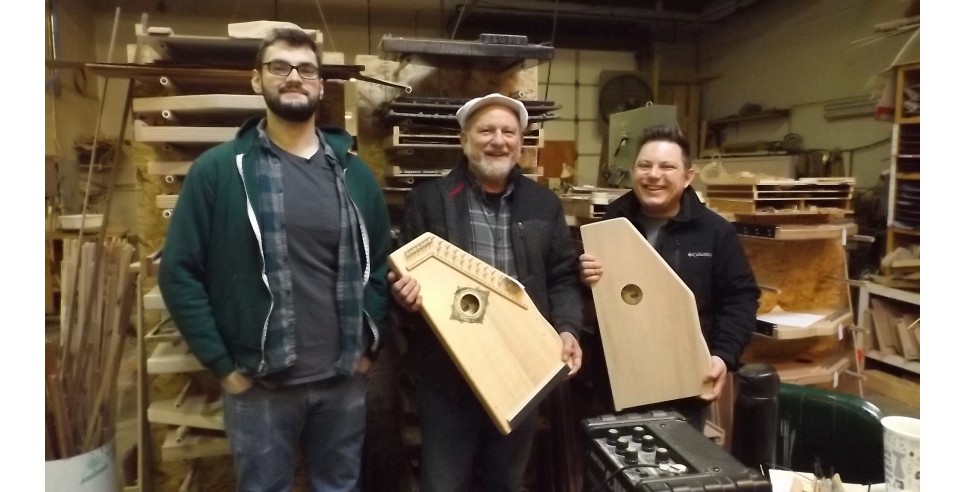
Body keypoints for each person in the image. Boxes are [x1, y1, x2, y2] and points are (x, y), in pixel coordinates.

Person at [157, 27, 391, 492]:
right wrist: (223, 366)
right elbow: (178, 273)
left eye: (306, 69)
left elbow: (379, 266)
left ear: (320, 86)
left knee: (340, 486)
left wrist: (368, 350)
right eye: (279, 67)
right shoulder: (220, 171)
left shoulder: (353, 174)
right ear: (256, 80)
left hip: (342, 380)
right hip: (260, 386)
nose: (294, 78)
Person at [388, 93, 584, 492]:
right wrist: (404, 298)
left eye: (508, 132)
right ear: (464, 140)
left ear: (520, 141)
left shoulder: (543, 205)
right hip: (447, 375)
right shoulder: (430, 200)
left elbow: (562, 277)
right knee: (443, 482)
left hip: (520, 368)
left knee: (507, 481)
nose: (498, 140)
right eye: (486, 131)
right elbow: (404, 279)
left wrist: (567, 329)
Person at [578, 123, 760, 428]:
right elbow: (590, 298)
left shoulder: (715, 233)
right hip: (617, 381)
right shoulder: (609, 225)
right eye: (644, 165)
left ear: (688, 176)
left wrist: (723, 355)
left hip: (682, 383)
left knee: (677, 469)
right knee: (613, 469)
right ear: (633, 171)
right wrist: (583, 276)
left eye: (667, 166)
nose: (654, 175)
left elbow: (740, 298)